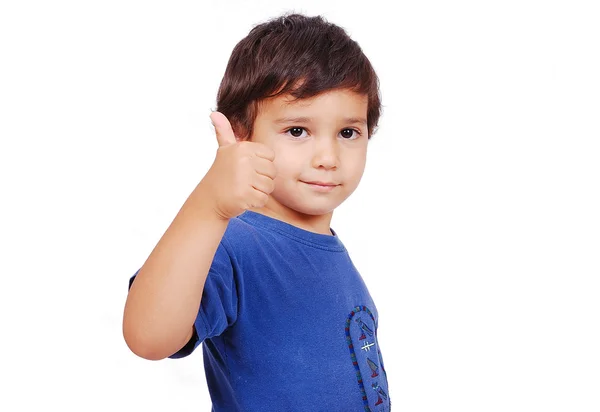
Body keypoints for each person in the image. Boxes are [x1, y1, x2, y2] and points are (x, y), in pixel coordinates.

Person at [123, 12, 391, 411]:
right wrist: (207, 206)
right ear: (241, 134)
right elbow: (148, 336)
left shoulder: (333, 253)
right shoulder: (235, 243)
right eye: (297, 131)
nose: (328, 157)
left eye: (347, 132)